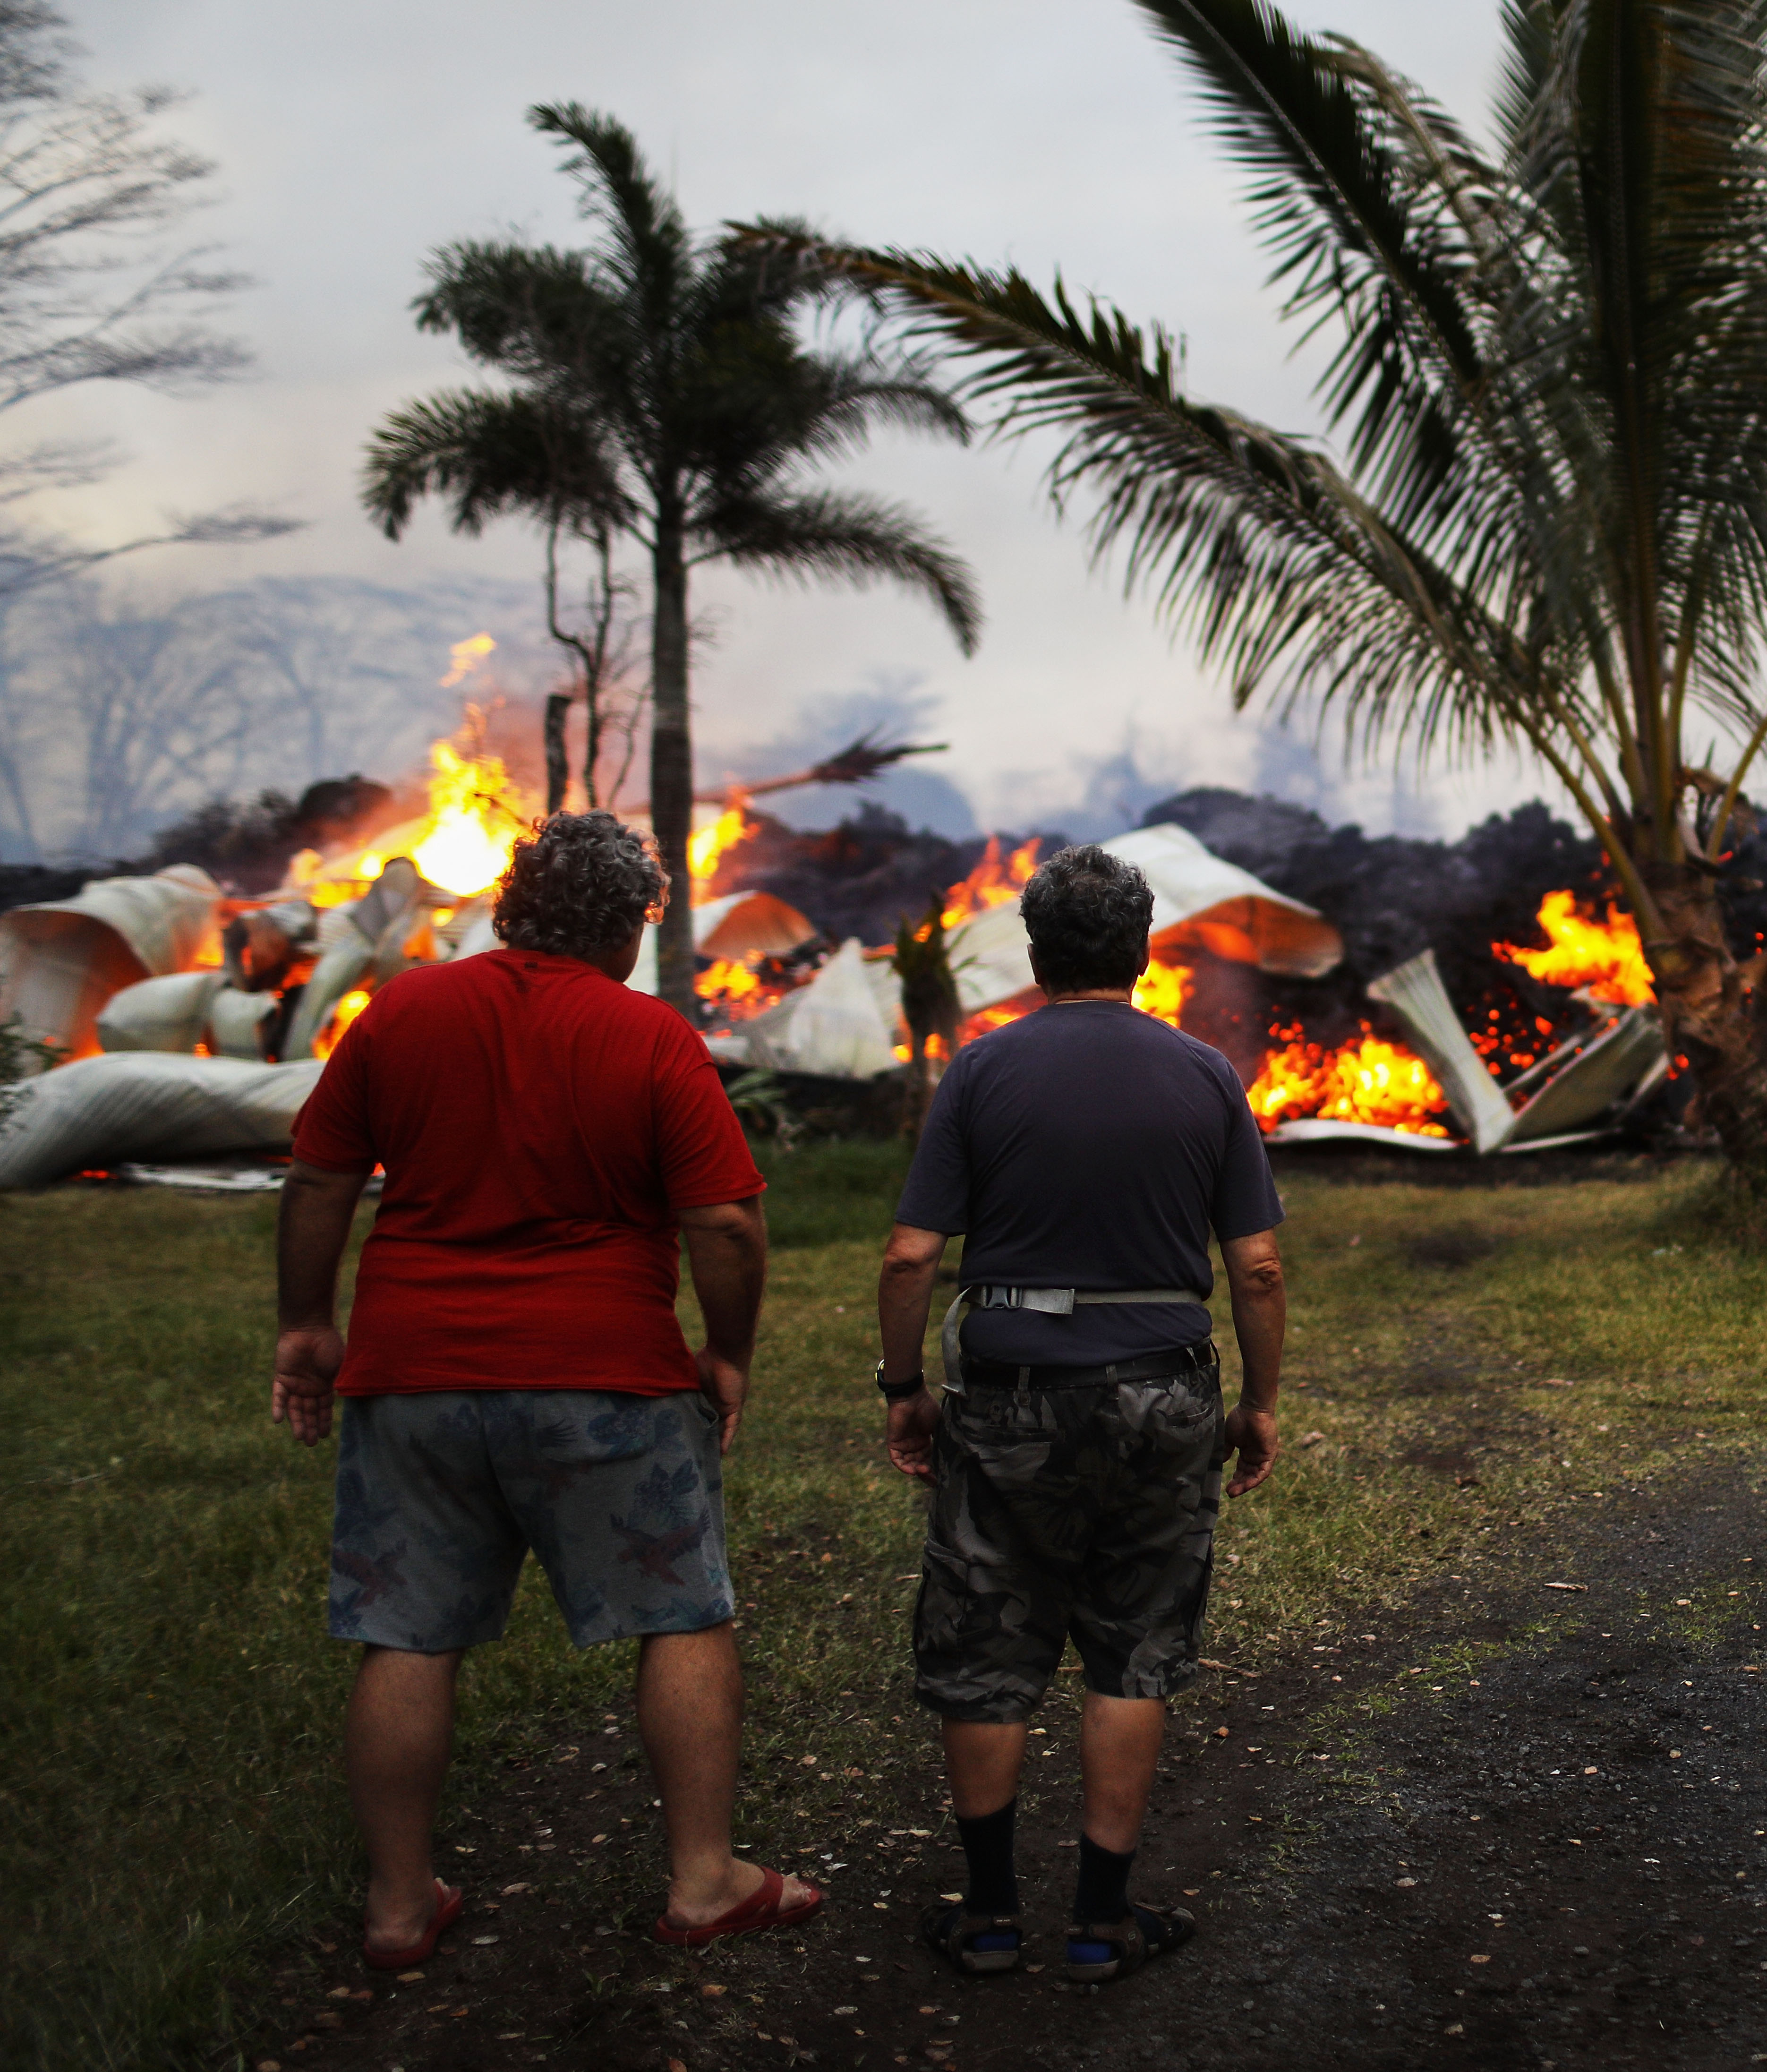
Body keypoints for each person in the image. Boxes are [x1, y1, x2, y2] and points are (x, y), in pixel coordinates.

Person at [270, 811, 816, 1969]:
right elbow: (723, 1220)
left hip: (412, 1377)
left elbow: (319, 1179)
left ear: (511, 907)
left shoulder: (402, 1012)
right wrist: (727, 1352)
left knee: (407, 1636)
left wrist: (309, 1326)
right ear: (626, 933)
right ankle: (705, 1882)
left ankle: (399, 1907)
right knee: (679, 1616)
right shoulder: (649, 1034)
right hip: (604, 1379)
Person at [875, 842, 1286, 1985]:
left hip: (1008, 1399)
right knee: (1131, 1647)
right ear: (1142, 949)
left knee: (987, 1646)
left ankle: (992, 1917)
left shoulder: (980, 1072)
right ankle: (1103, 1921)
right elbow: (1255, 1270)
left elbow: (913, 1253)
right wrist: (1255, 1405)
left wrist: (903, 1388)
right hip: (1163, 1393)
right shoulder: (1205, 1078)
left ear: (1035, 950)